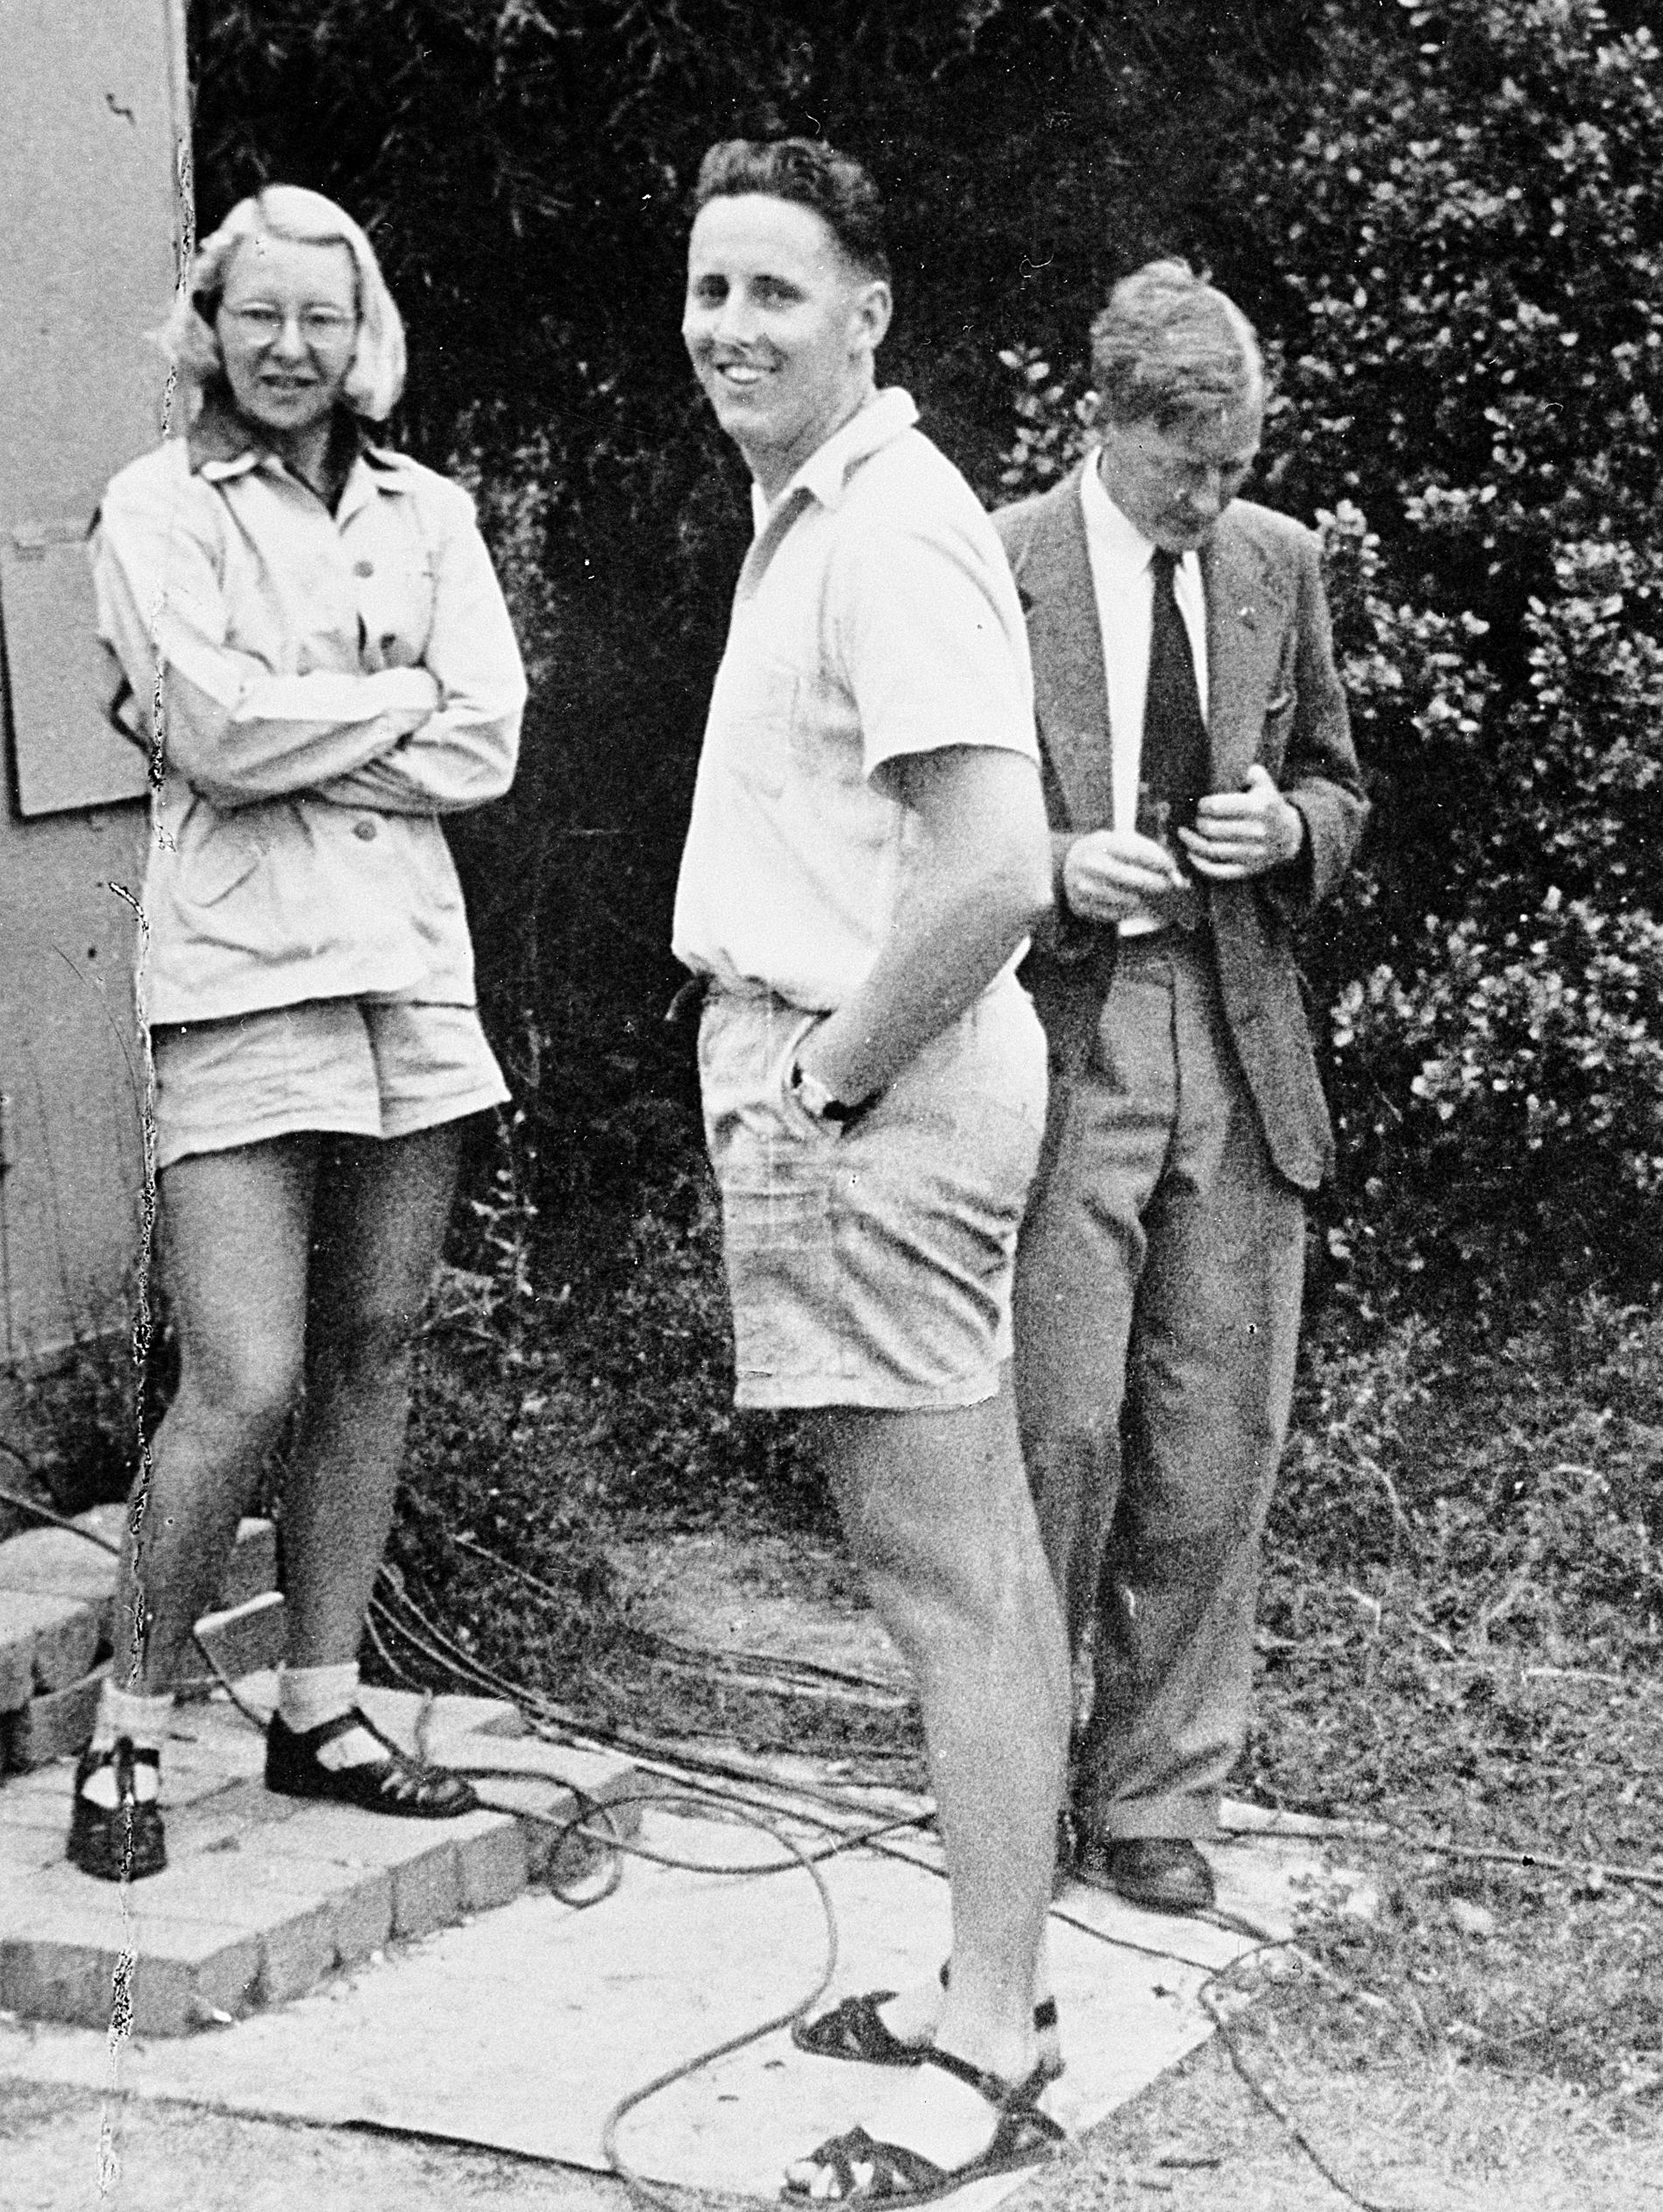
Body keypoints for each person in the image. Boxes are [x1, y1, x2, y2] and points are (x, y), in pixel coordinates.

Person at [672, 138, 1070, 2205]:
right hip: (881, 1086)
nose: (732, 326)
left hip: (878, 1096)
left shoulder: (889, 527)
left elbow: (995, 868)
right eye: (708, 287)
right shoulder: (815, 512)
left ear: (869, 313)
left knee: (948, 1586)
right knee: (976, 1570)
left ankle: (986, 2042)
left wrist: (820, 1085)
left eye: (774, 291)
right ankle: (993, 1986)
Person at [71, 185, 527, 1882]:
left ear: (363, 331)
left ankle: (318, 1701)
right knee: (245, 1372)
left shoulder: (428, 509)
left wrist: (287, 731)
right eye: (256, 315)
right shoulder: (153, 502)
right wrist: (385, 700)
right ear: (208, 321)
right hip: (239, 969)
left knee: (377, 1340)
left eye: (319, 319)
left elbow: (483, 737)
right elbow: (198, 715)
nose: (287, 347)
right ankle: (123, 1725)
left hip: (405, 966)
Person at [997, 260, 1368, 1916]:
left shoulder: (1276, 563)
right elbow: (905, 815)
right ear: (1104, 425)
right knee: (1051, 1427)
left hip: (1232, 1031)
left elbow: (1338, 783)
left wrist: (1288, 832)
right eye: (1183, 469)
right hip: (1049, 1038)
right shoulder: (989, 565)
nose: (1212, 500)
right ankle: (1006, 1771)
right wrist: (1059, 865)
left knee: (1217, 1436)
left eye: (1233, 467)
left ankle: (1157, 1797)